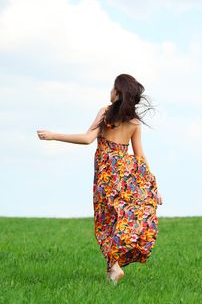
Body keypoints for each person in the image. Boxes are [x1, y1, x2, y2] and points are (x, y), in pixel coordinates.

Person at [37, 73, 163, 285]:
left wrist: (54, 135)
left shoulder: (105, 112)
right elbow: (140, 156)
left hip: (106, 174)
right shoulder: (133, 122)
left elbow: (87, 139)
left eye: (113, 88)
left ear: (117, 92)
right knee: (120, 219)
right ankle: (112, 272)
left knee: (104, 222)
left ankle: (114, 267)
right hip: (126, 174)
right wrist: (153, 187)